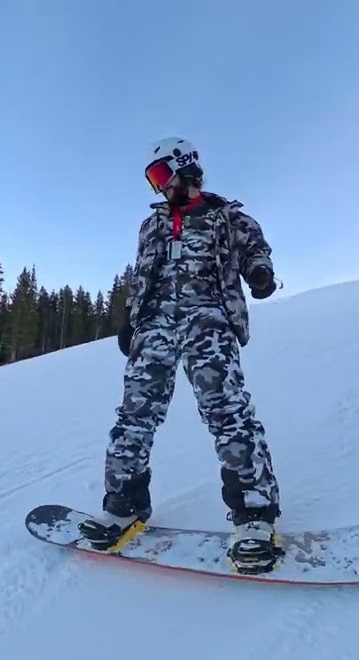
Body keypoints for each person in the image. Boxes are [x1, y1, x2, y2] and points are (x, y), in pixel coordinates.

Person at [77, 136, 283, 574]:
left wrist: (260, 273)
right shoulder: (150, 226)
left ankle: (254, 515)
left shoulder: (228, 217)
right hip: (154, 327)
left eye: (158, 176)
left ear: (182, 169)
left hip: (208, 321)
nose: (156, 187)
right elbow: (141, 275)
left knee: (227, 411)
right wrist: (131, 318)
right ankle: (124, 503)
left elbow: (255, 249)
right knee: (134, 414)